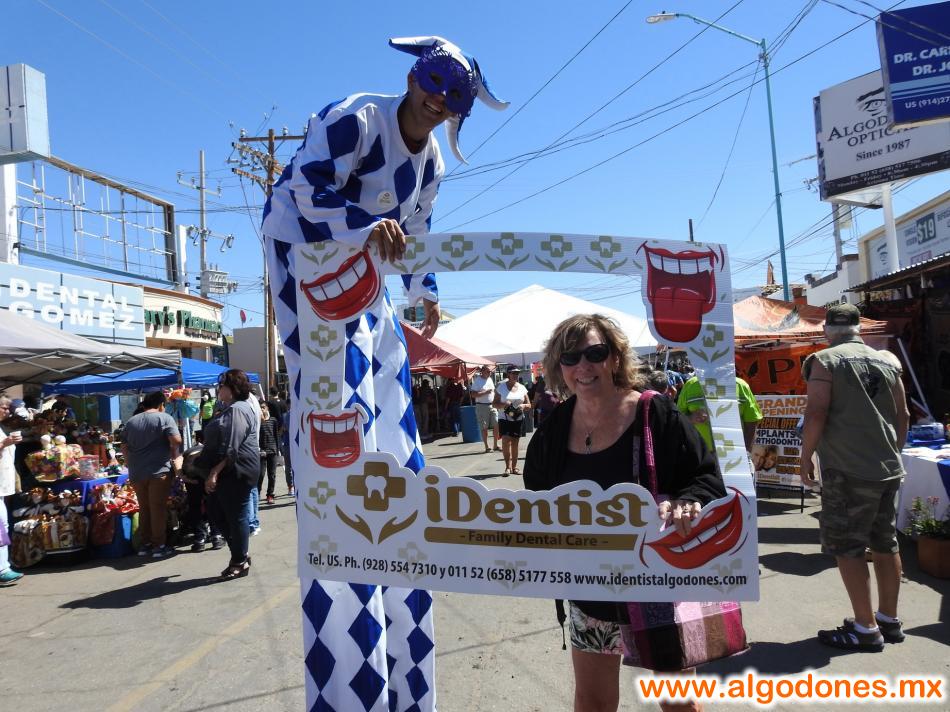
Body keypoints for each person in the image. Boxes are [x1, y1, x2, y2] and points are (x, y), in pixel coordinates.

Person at [260, 34, 506, 709]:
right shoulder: (355, 118)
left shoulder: (431, 168)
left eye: (455, 95)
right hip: (301, 255)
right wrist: (368, 228)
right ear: (413, 74)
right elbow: (305, 190)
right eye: (434, 80)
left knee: (380, 389)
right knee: (329, 384)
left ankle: (383, 496)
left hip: (365, 273)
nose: (439, 98)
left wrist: (425, 292)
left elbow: (417, 234)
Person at [524, 314, 724, 712]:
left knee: (678, 703)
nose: (583, 366)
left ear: (615, 358)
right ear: (557, 366)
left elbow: (705, 476)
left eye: (595, 353)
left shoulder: (656, 414)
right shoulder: (552, 430)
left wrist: (689, 499)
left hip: (656, 584)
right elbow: (535, 500)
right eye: (570, 357)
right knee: (594, 702)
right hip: (589, 590)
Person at [799, 303, 909, 652]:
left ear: (827, 330)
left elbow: (816, 411)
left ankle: (865, 628)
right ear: (859, 329)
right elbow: (903, 414)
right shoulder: (889, 361)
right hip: (886, 466)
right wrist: (892, 450)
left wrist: (804, 457)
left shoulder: (825, 361)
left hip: (847, 469)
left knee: (847, 546)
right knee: (885, 542)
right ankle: (888, 619)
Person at [202, 369, 260, 580]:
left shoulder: (238, 410)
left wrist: (214, 472)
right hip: (230, 469)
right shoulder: (231, 408)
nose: (219, 389)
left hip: (237, 469)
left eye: (222, 385)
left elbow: (231, 446)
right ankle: (240, 553)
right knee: (217, 512)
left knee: (236, 516)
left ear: (232, 389)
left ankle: (239, 561)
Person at [120, 391, 182, 559]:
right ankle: (158, 545)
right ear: (161, 404)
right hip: (158, 471)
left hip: (137, 472)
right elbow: (176, 441)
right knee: (158, 509)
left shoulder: (131, 421)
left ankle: (144, 544)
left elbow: (123, 446)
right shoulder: (164, 418)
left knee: (144, 508)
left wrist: (129, 462)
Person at [677, 374, 763, 452]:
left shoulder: (741, 386)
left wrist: (747, 453)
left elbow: (751, 422)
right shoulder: (691, 384)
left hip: (734, 455)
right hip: (700, 454)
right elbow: (677, 419)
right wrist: (691, 418)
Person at [0, 396, 24, 586]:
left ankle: (4, 565)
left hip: (3, 486)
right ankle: (2, 569)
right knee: (1, 526)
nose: (8, 411)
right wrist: (4, 444)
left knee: (3, 525)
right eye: (5, 407)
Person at [493, 366, 530, 476]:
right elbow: (494, 403)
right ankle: (507, 468)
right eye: (513, 373)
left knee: (515, 442)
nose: (516, 375)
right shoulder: (501, 387)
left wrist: (523, 406)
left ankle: (515, 467)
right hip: (504, 418)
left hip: (518, 418)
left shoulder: (522, 387)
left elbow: (529, 404)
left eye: (517, 373)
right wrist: (504, 404)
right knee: (505, 441)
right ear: (508, 374)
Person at [471, 365, 500, 453]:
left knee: (496, 424)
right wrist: (485, 392)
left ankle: (495, 445)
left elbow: (493, 391)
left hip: (492, 405)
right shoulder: (477, 381)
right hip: (482, 406)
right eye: (488, 371)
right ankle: (487, 446)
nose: (490, 373)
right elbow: (473, 394)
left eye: (490, 371)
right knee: (484, 427)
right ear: (482, 371)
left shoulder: (490, 379)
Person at [258, 403, 280, 505]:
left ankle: (270, 495)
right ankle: (257, 493)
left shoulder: (273, 420)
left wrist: (277, 449)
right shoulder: (258, 421)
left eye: (263, 407)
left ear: (267, 409)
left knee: (272, 475)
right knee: (261, 474)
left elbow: (276, 435)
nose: (262, 409)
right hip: (261, 451)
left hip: (272, 450)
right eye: (260, 408)